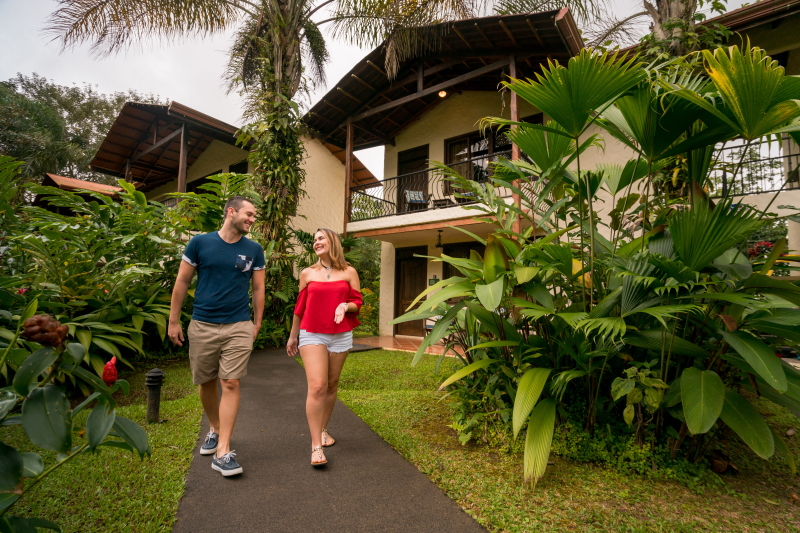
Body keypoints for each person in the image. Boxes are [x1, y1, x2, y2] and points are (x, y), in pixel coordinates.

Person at [168, 196, 265, 477]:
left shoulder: (254, 249)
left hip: (238, 324)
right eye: (249, 214)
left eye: (254, 216)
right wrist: (173, 320)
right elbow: (182, 280)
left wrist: (257, 322)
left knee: (231, 382)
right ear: (231, 212)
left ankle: (223, 451)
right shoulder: (200, 243)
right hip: (202, 324)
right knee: (206, 382)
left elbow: (258, 288)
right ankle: (214, 428)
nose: (252, 219)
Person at [287, 228, 362, 466]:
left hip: (341, 335)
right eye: (314, 240)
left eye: (320, 238)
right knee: (318, 386)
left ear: (332, 241)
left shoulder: (349, 272)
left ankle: (323, 430)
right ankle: (316, 447)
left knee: (331, 385)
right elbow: (300, 307)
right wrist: (293, 336)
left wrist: (344, 306)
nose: (316, 242)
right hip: (312, 332)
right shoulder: (307, 273)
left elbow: (357, 302)